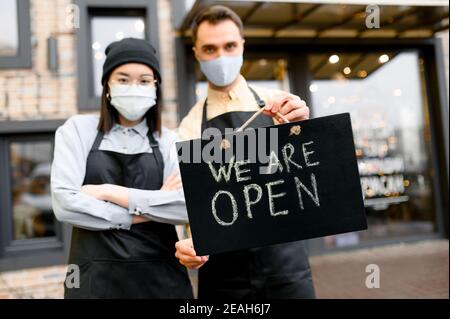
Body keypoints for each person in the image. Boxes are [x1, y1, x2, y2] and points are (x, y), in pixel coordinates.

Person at [175, 6, 316, 299]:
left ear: (242, 46)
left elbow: (310, 174)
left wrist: (305, 128)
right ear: (197, 53)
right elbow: (190, 204)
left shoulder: (280, 105)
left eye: (229, 46)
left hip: (286, 268)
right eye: (210, 49)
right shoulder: (189, 128)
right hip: (224, 276)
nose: (221, 56)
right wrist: (187, 242)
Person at [51, 38, 193, 299]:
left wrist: (108, 191)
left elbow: (186, 205)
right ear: (107, 86)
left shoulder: (170, 140)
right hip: (94, 282)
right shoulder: (76, 130)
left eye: (144, 80)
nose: (134, 88)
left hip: (161, 281)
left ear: (155, 87)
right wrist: (148, 208)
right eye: (123, 79)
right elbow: (64, 203)